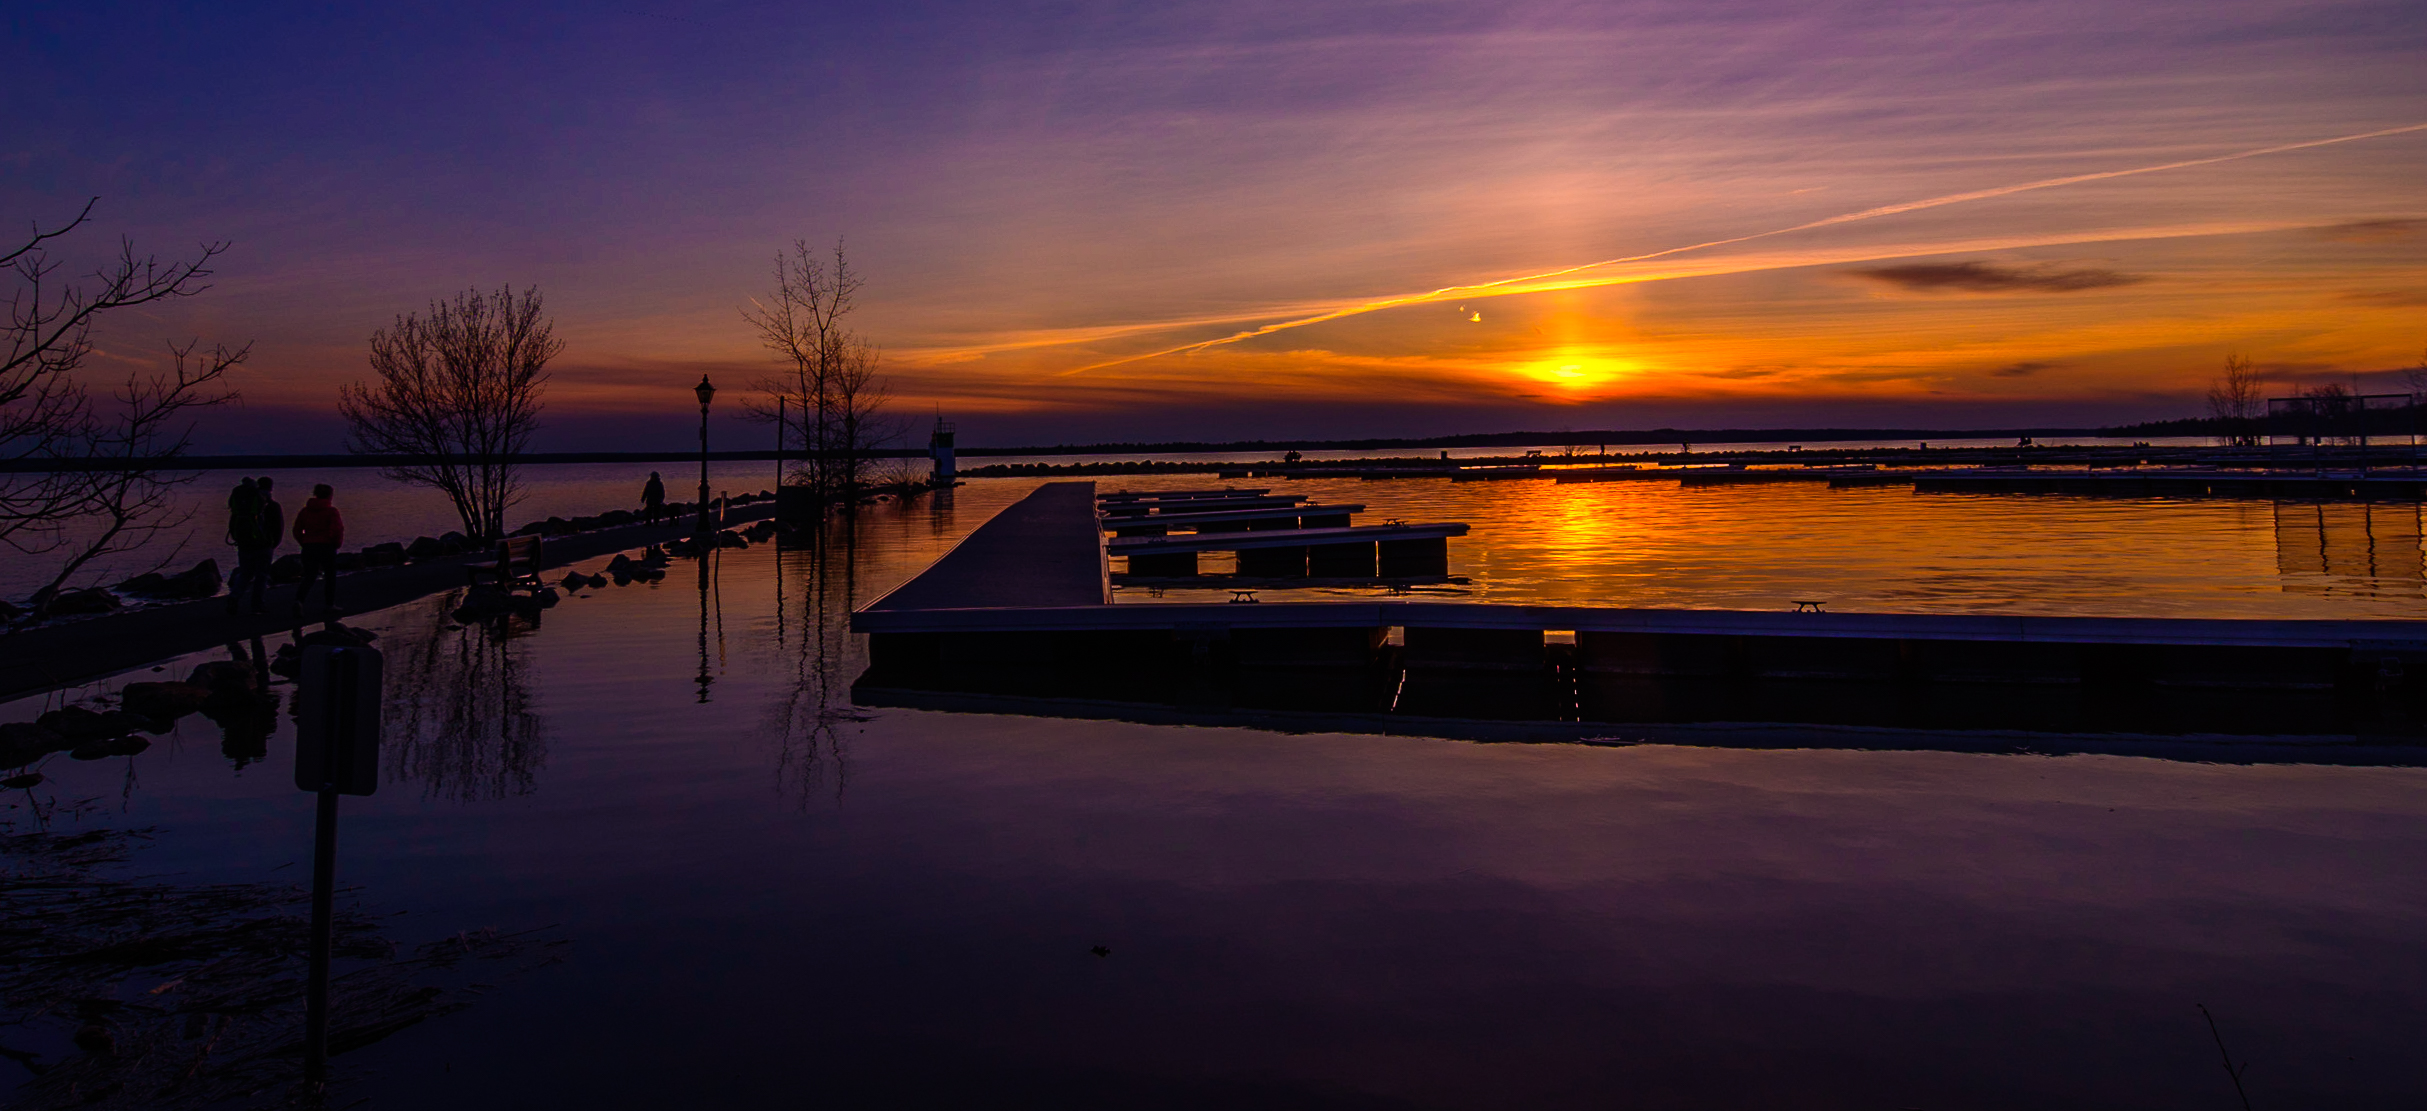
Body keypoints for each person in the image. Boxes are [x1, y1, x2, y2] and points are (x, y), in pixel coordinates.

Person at [291, 483, 345, 618]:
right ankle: (329, 605)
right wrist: (336, 544)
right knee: (330, 576)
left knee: (309, 576)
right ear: (329, 496)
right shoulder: (331, 511)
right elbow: (337, 530)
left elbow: (297, 530)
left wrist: (304, 542)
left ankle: (299, 600)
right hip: (326, 546)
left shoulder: (305, 511)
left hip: (309, 546)